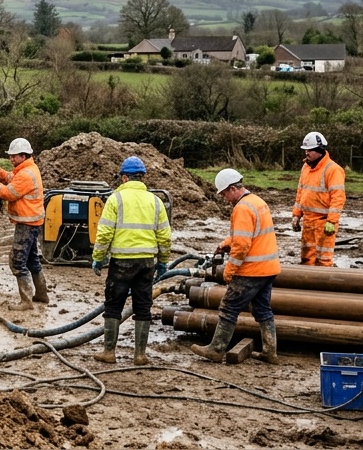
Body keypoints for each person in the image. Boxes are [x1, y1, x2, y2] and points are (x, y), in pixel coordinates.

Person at [192, 169, 282, 364]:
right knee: (263, 310)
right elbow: (249, 234)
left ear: (233, 188)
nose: (224, 198)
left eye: (225, 193)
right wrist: (227, 242)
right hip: (268, 269)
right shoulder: (257, 201)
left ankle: (216, 349)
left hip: (251, 271)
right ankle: (270, 351)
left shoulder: (242, 208)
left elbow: (241, 245)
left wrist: (229, 271)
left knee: (229, 307)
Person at [90, 155, 172, 365]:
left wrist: (98, 257)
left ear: (124, 177)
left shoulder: (115, 199)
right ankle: (140, 355)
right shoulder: (156, 201)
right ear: (142, 177)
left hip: (121, 262)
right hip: (146, 263)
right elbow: (164, 236)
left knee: (113, 305)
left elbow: (104, 233)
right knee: (143, 307)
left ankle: (109, 352)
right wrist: (163, 261)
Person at [0, 137, 48, 309]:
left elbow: (8, 193)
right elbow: (10, 178)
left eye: (14, 156)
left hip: (26, 223)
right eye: (10, 156)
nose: (11, 159)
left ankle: (26, 301)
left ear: (23, 156)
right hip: (32, 222)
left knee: (17, 261)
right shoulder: (26, 169)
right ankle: (42, 294)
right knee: (32, 260)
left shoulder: (26, 174)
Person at [290, 131, 345, 267]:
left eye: (309, 150)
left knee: (323, 260)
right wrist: (296, 214)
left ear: (319, 150)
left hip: (323, 222)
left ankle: (323, 281)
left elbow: (338, 197)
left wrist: (331, 221)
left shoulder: (333, 170)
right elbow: (301, 192)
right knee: (306, 259)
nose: (306, 153)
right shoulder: (306, 167)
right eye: (305, 150)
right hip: (308, 221)